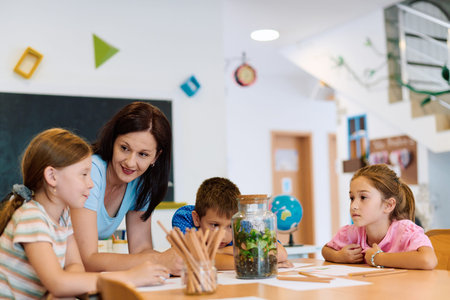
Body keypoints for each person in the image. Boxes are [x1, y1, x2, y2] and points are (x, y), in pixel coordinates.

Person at [0, 128, 169, 299]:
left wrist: (69, 286)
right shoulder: (32, 218)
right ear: (52, 176)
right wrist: (128, 277)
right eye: (83, 175)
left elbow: (75, 266)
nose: (91, 184)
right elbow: (58, 283)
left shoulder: (64, 217)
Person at [71, 102, 183, 275]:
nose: (130, 162)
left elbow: (140, 249)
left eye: (143, 154)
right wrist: (159, 260)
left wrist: (174, 260)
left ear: (156, 156)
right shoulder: (90, 172)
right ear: (113, 140)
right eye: (124, 148)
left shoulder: (141, 184)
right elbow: (88, 260)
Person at [322, 164, 437, 270]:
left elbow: (428, 260)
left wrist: (378, 258)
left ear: (388, 205)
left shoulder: (405, 231)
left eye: (363, 197)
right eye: (352, 198)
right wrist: (338, 256)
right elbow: (326, 250)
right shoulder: (352, 232)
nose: (354, 206)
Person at [172, 177, 290, 270]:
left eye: (229, 226)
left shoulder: (243, 221)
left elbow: (280, 254)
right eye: (214, 225)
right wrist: (258, 263)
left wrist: (218, 251)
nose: (223, 236)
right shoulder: (184, 217)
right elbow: (189, 257)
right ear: (197, 219)